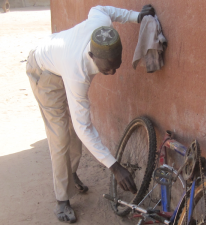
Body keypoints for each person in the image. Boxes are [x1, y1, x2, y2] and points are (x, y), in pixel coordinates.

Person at [26, 4, 155, 223]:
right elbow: (83, 126)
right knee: (60, 135)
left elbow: (101, 8)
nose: (112, 72)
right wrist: (114, 167)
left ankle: (71, 173)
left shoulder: (101, 24)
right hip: (44, 72)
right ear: (92, 55)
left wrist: (136, 17)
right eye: (107, 69)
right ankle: (62, 200)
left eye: (117, 65)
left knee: (75, 131)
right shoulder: (78, 73)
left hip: (59, 58)